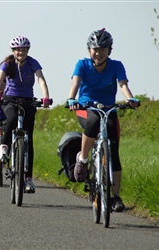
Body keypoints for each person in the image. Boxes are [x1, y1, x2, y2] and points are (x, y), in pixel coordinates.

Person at [67, 28, 140, 212]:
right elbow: (75, 83)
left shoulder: (116, 66)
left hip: (109, 109)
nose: (98, 53)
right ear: (89, 50)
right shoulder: (82, 64)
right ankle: (83, 160)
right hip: (86, 108)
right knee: (92, 122)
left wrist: (130, 99)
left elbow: (122, 84)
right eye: (95, 49)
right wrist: (72, 99)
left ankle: (115, 197)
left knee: (113, 152)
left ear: (109, 50)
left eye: (102, 49)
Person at [0, 36, 51, 193]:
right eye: (18, 49)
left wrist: (45, 96)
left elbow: (41, 80)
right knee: (11, 119)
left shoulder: (33, 63)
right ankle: (4, 147)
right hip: (10, 99)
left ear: (27, 51)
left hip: (28, 100)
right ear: (13, 51)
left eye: (24, 49)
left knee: (28, 139)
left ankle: (28, 180)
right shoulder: (8, 64)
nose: (21, 52)